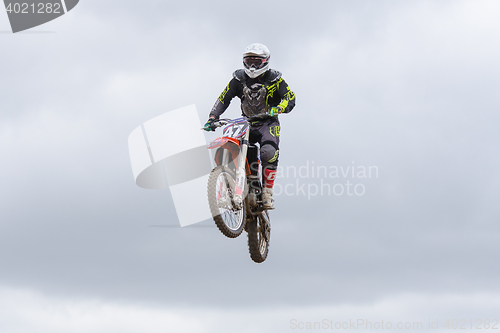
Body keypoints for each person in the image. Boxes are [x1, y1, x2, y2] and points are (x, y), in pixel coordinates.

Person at [203, 43, 296, 210]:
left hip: (268, 122)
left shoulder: (275, 79)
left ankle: (267, 191)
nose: (252, 66)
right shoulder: (238, 79)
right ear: (243, 61)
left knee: (269, 152)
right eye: (249, 61)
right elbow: (224, 98)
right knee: (228, 145)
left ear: (265, 62)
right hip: (246, 122)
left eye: (257, 62)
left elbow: (290, 97)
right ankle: (231, 183)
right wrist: (212, 117)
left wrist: (280, 107)